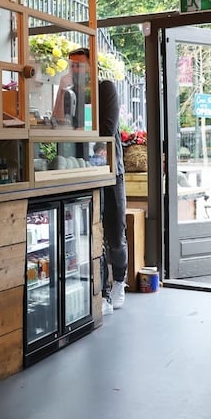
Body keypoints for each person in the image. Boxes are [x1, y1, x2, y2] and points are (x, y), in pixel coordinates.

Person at [67, 48, 128, 312]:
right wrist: (62, 90)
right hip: (84, 171)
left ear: (92, 67)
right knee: (92, 234)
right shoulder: (72, 95)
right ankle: (101, 292)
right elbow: (60, 124)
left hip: (110, 170)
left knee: (115, 232)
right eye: (72, 67)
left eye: (80, 66)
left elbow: (106, 130)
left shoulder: (105, 88)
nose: (75, 71)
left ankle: (120, 282)